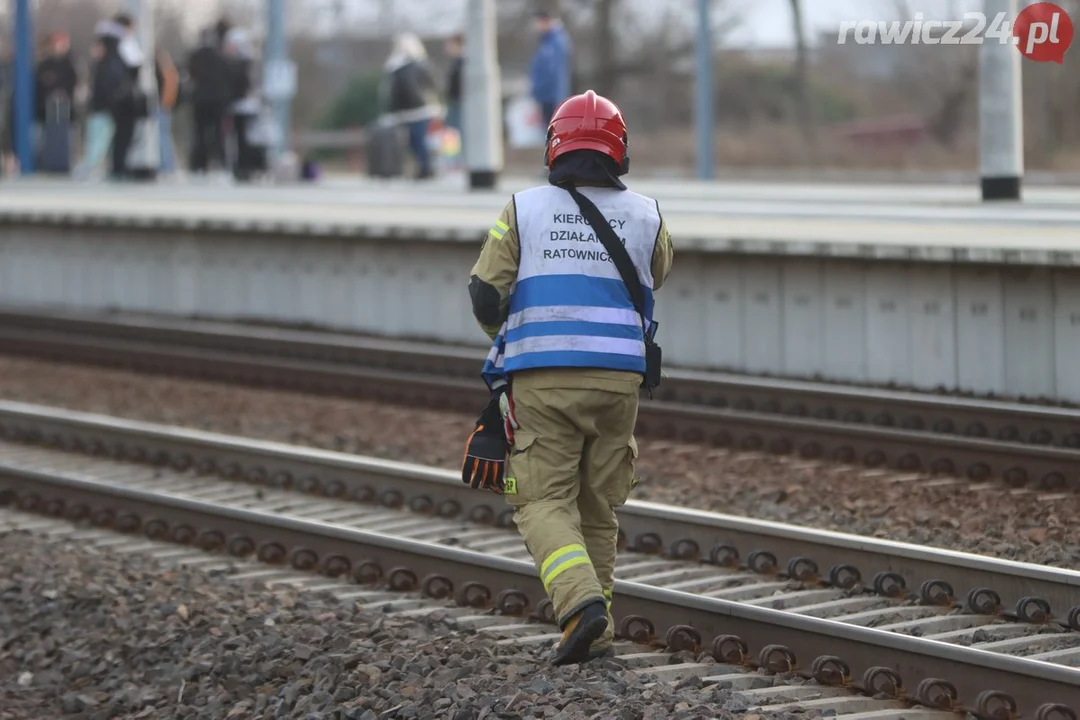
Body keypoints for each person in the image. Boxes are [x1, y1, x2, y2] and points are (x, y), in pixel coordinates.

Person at [460, 90, 674, 666]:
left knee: (540, 500)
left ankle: (579, 604)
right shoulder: (648, 214)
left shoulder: (522, 209)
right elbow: (658, 271)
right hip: (618, 382)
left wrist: (503, 336)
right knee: (599, 507)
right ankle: (596, 631)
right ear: (619, 149)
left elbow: (484, 291)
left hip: (544, 380)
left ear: (554, 147)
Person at [383, 33, 442, 180]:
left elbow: (432, 86)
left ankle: (426, 168)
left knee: (420, 140)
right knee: (412, 142)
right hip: (404, 111)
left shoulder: (421, 65)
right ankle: (423, 167)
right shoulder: (394, 67)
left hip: (420, 109)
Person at [72, 29, 123, 180]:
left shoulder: (108, 67)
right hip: (98, 110)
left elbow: (108, 90)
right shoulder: (101, 66)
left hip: (104, 111)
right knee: (95, 142)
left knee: (98, 143)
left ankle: (88, 169)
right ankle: (89, 168)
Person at [186, 27, 230, 175]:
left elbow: (191, 75)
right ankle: (220, 164)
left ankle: (199, 165)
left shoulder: (195, 56)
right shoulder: (221, 57)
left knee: (199, 133)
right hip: (218, 101)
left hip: (200, 100)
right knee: (218, 133)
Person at [34, 31, 78, 166]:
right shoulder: (44, 65)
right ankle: (44, 162)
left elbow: (72, 84)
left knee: (65, 137)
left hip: (65, 112)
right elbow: (40, 84)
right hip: (45, 113)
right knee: (43, 138)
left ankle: (63, 162)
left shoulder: (70, 64)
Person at [223, 27, 259, 182]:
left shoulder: (242, 63)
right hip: (240, 106)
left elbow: (243, 86)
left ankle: (245, 168)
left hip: (243, 107)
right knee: (238, 139)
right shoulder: (244, 61)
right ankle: (242, 168)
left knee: (243, 139)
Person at [109, 13, 143, 179]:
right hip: (124, 98)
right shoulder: (124, 43)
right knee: (125, 133)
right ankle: (119, 166)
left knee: (121, 133)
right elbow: (136, 65)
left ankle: (118, 165)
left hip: (117, 96)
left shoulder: (108, 43)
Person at [529, 10, 572, 129]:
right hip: (546, 94)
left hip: (552, 95)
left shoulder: (556, 42)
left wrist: (541, 89)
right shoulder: (546, 42)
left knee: (554, 129)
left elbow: (553, 71)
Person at [155, 48, 180, 176]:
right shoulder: (171, 72)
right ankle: (167, 165)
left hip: (162, 107)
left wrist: (163, 104)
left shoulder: (167, 72)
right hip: (166, 107)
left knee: (162, 136)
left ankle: (167, 165)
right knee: (164, 136)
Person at [444, 33, 464, 163]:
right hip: (454, 103)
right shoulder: (456, 63)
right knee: (451, 134)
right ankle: (452, 160)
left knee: (455, 134)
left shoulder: (463, 63)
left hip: (460, 104)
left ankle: (455, 161)